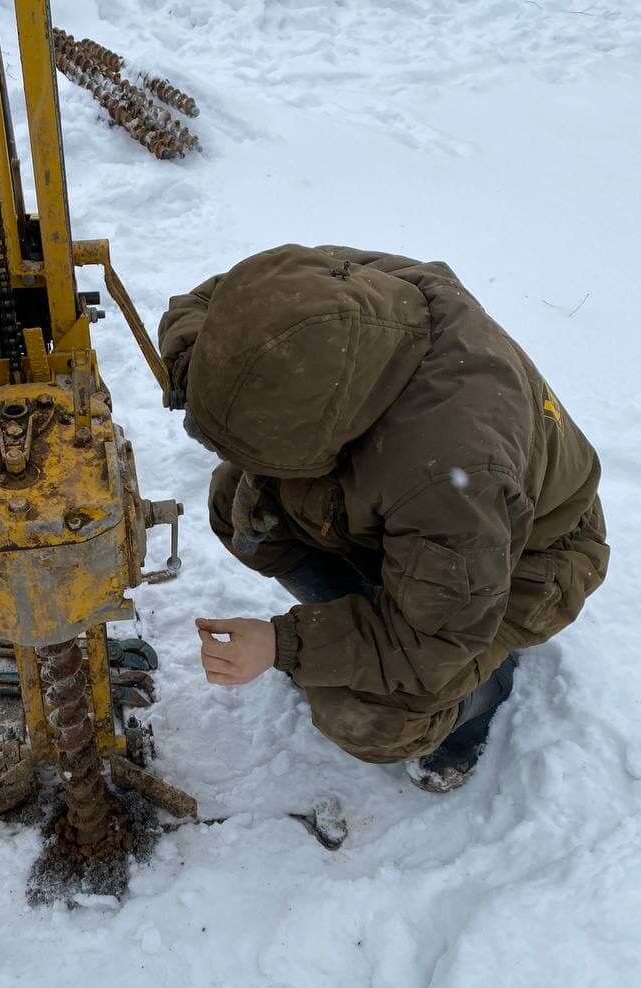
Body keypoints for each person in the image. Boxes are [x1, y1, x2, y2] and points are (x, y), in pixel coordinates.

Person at [158, 246, 609, 791]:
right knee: (242, 510)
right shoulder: (333, 308)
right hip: (431, 518)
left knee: (370, 715)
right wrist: (196, 373)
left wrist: (285, 644)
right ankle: (376, 609)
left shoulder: (453, 475)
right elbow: (214, 305)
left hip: (530, 561)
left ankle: (479, 696)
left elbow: (432, 643)